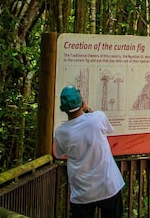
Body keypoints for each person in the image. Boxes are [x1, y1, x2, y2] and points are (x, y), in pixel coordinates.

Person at [53, 85, 126, 218]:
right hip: (108, 185)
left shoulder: (61, 132)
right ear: (82, 103)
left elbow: (58, 153)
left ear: (63, 109)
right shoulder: (97, 118)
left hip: (82, 192)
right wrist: (87, 109)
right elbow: (109, 129)